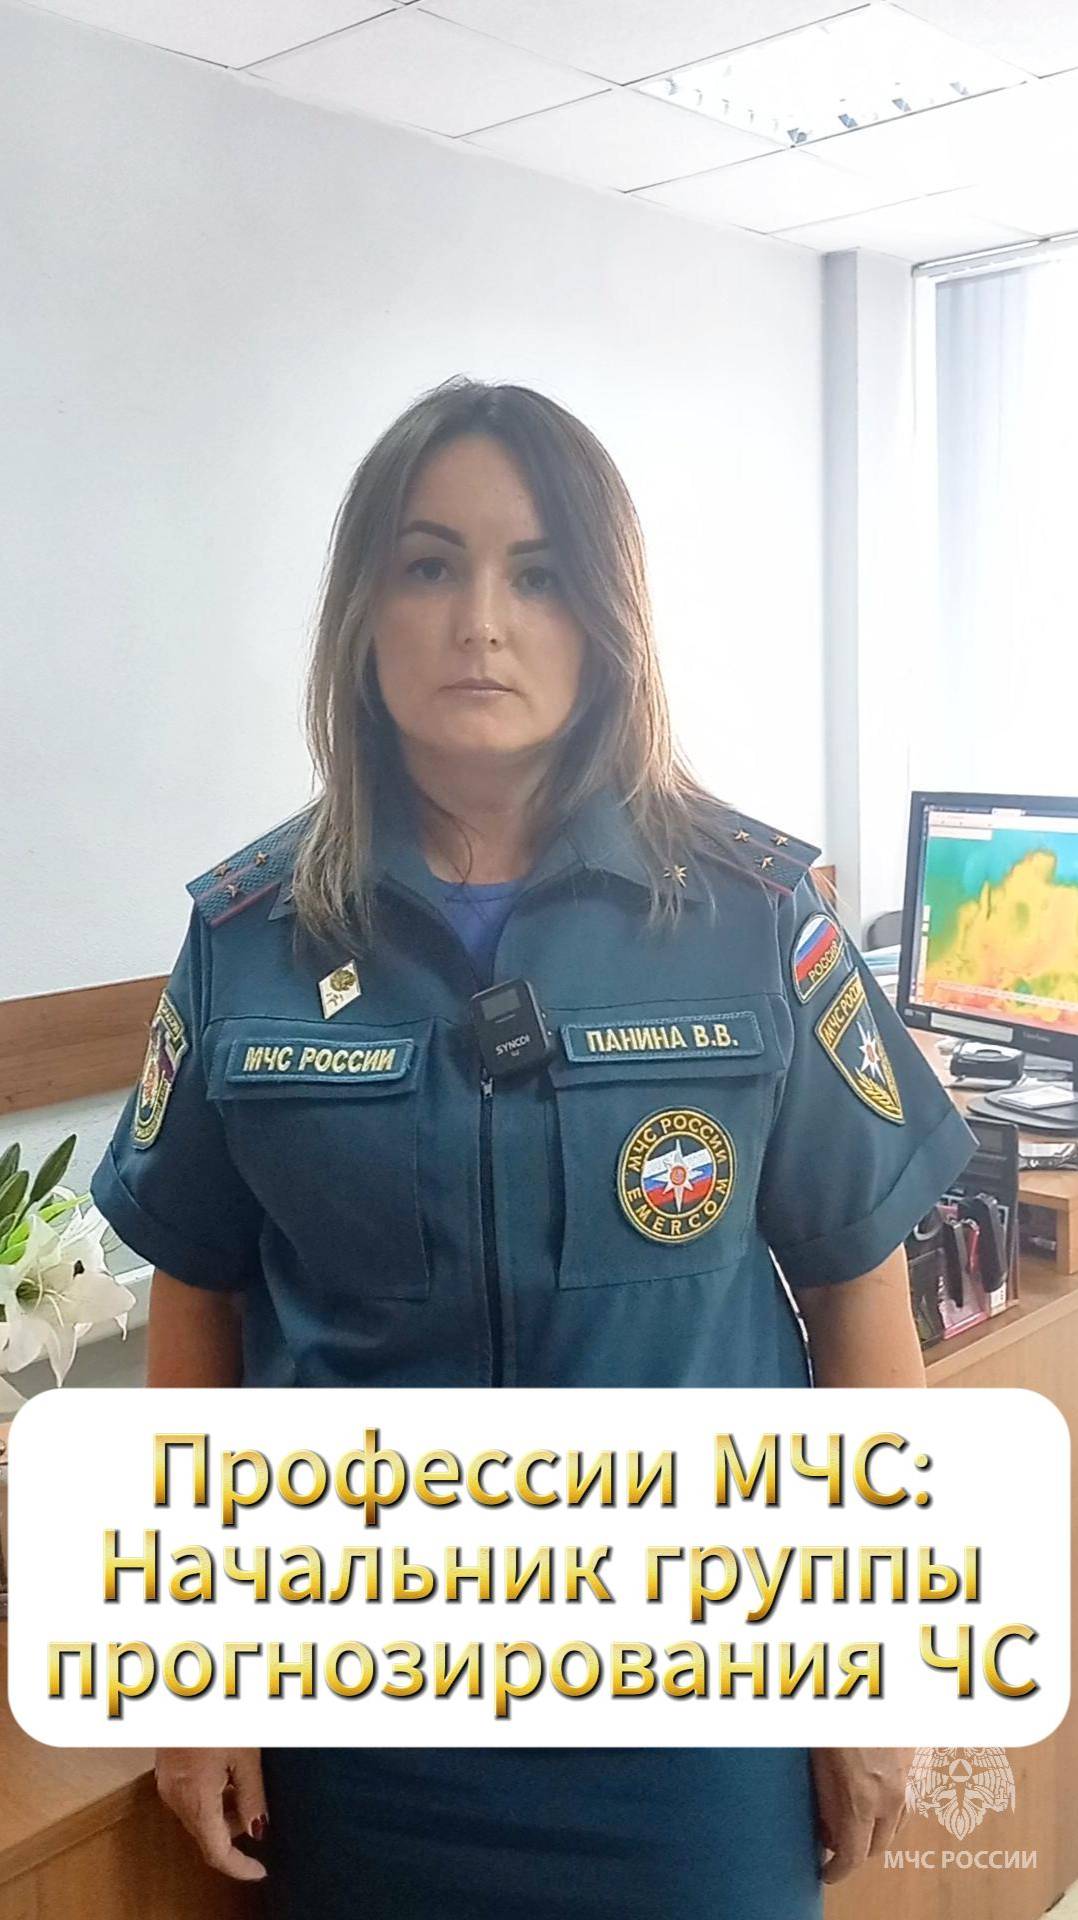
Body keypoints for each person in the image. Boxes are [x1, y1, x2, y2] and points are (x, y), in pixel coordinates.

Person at [92, 376, 976, 1918]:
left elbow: (855, 1294)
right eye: (428, 565)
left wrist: (874, 1662)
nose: (480, 623)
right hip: (364, 1719)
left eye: (540, 572)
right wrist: (194, 1666)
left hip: (698, 1713)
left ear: (609, 615)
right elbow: (200, 1300)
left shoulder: (751, 914)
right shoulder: (248, 939)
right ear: (363, 612)